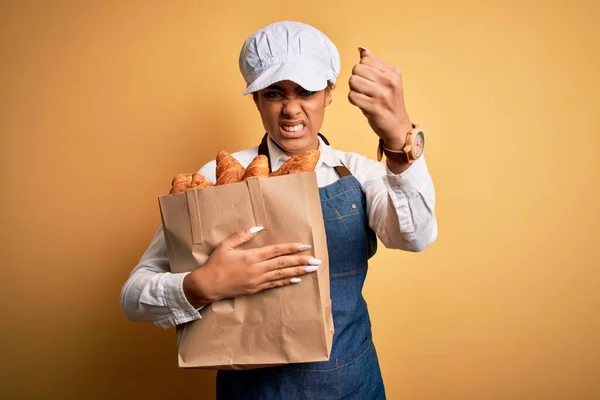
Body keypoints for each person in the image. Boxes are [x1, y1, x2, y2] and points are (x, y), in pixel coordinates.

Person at [121, 20, 437, 399]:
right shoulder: (218, 178)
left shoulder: (361, 172)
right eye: (274, 93)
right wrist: (202, 285)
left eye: (306, 92)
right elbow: (133, 295)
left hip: (351, 383)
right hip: (253, 390)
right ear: (256, 98)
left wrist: (399, 139)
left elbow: (415, 237)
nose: (291, 110)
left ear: (328, 94)